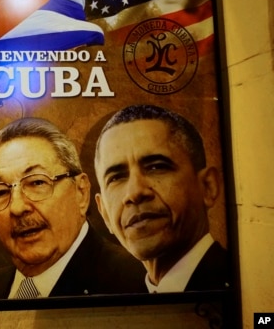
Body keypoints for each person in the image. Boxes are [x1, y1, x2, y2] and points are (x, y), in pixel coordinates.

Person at [0, 117, 145, 299]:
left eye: (37, 182)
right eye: (0, 193)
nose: (17, 208)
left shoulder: (139, 282)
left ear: (81, 192)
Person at [93, 104, 230, 293]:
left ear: (208, 187)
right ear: (104, 214)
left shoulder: (248, 287)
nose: (135, 193)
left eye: (156, 167)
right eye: (116, 178)